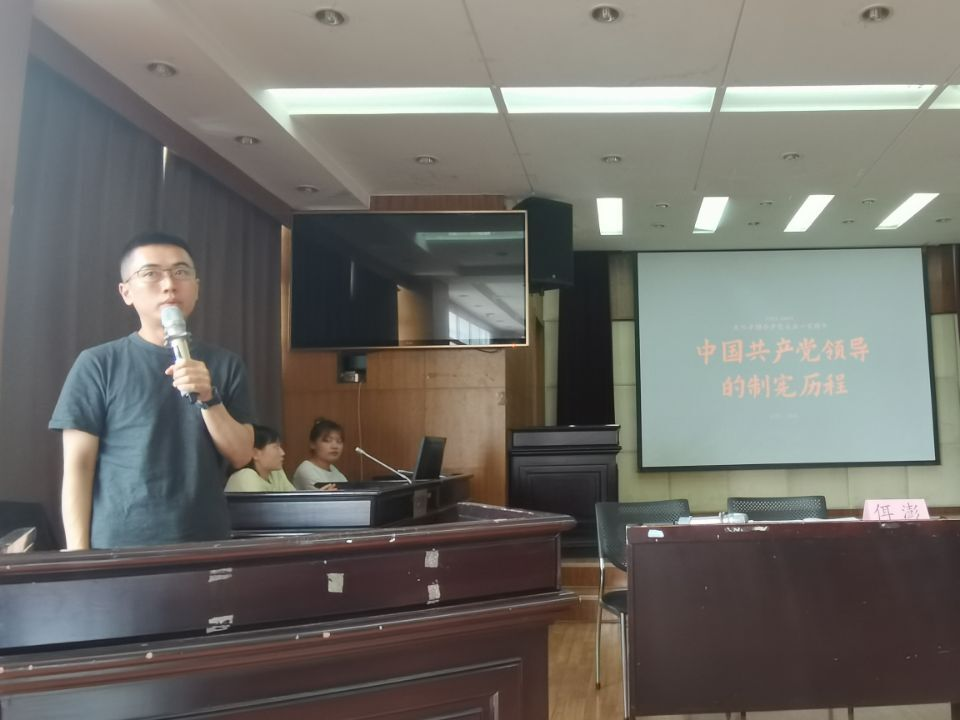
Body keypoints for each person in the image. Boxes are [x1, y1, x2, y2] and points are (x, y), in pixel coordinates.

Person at [49, 231, 254, 549]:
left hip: (206, 543)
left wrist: (209, 398)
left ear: (197, 287)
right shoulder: (98, 364)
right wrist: (79, 557)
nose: (169, 284)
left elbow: (241, 455)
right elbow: (78, 466)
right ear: (126, 292)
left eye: (181, 272)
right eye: (151, 273)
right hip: (120, 548)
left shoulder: (226, 364)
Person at [225, 425, 296, 492]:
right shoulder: (246, 476)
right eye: (276, 447)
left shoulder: (276, 472)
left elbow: (294, 498)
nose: (282, 453)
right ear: (255, 453)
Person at [292, 417, 348, 491]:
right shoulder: (306, 470)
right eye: (327, 440)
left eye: (339, 441)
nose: (335, 446)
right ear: (312, 444)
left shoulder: (334, 470)